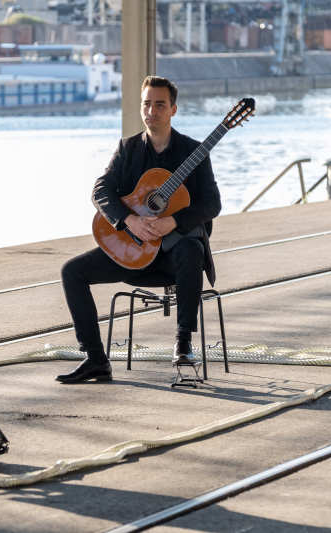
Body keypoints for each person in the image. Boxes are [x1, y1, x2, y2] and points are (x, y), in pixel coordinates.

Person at [56, 76, 221, 384]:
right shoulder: (128, 149)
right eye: (146, 104)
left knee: (191, 249)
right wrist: (128, 220)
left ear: (173, 109)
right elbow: (101, 190)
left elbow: (212, 204)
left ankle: (183, 343)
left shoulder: (194, 151)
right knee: (71, 271)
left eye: (159, 104)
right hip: (132, 253)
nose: (151, 111)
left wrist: (174, 221)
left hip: (174, 260)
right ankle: (95, 359)